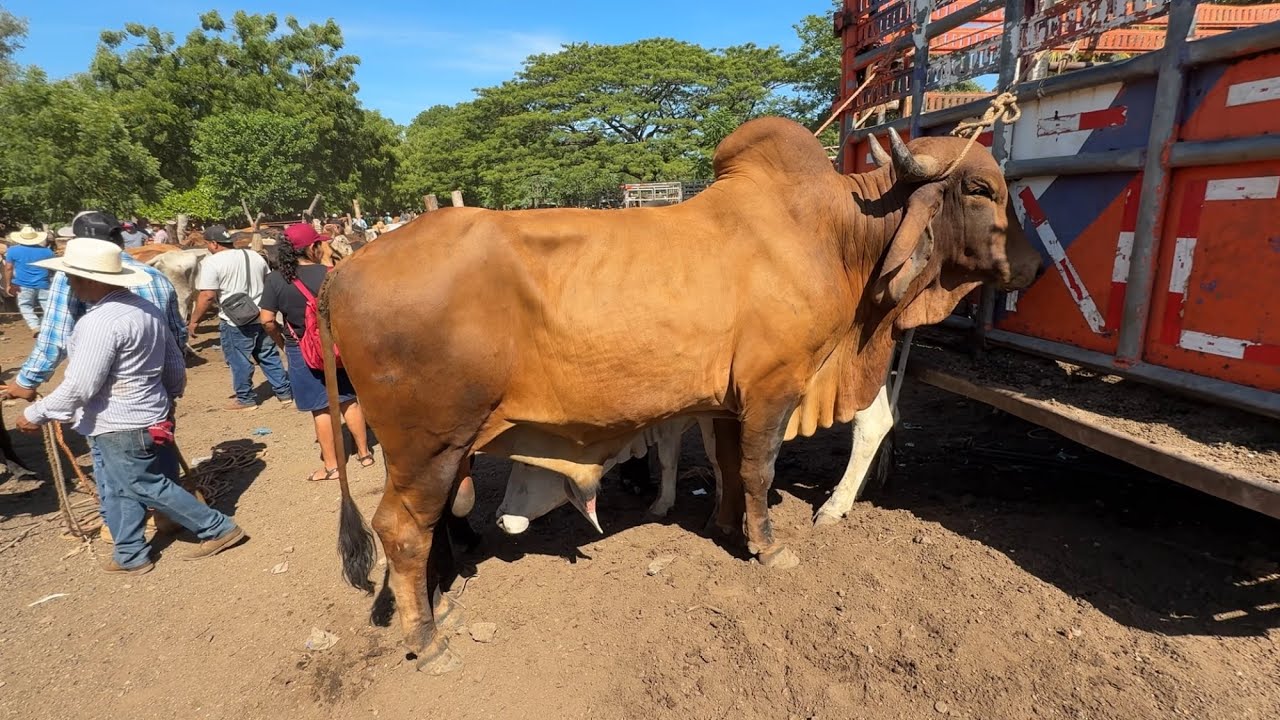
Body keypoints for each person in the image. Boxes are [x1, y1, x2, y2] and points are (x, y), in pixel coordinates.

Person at [16, 238, 245, 574]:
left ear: (91, 279)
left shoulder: (99, 323)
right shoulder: (145, 311)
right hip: (141, 413)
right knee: (116, 485)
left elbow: (80, 385)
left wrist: (36, 413)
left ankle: (217, 527)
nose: (68, 284)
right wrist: (166, 399)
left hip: (118, 421)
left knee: (143, 484)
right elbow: (173, 364)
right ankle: (129, 552)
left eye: (72, 278)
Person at [4, 211, 188, 402]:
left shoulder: (73, 275)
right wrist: (171, 385)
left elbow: (56, 337)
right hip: (155, 393)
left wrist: (27, 381)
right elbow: (176, 335)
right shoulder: (155, 276)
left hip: (108, 396)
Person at [259, 223, 373, 482]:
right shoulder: (332, 273)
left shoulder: (276, 279)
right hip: (336, 346)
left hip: (300, 348)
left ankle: (332, 466)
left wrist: (282, 341)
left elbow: (266, 319)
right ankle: (365, 454)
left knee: (320, 409)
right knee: (348, 400)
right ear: (313, 247)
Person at [189, 225, 291, 410]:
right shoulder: (253, 255)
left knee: (239, 359)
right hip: (261, 313)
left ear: (213, 244)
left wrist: (194, 320)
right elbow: (269, 281)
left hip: (234, 319)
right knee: (268, 355)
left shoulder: (212, 263)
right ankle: (284, 393)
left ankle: (245, 399)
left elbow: (208, 295)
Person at [4, 225, 55, 336]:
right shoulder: (47, 252)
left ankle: (35, 326)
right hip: (44, 283)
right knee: (48, 306)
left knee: (25, 306)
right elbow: (53, 268)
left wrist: (8, 284)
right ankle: (49, 326)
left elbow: (8, 268)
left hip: (22, 284)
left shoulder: (13, 251)